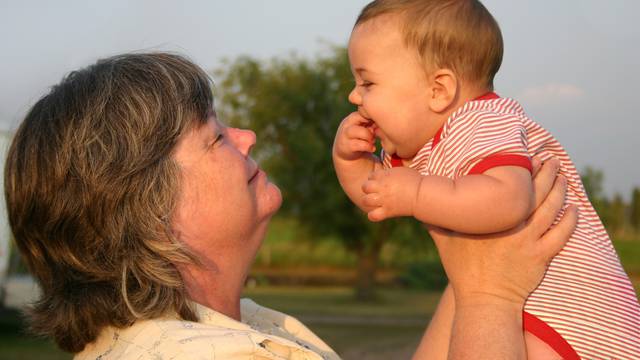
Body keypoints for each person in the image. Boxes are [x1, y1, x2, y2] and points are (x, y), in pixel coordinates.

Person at [5, 52, 576, 360]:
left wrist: (472, 262)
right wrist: (489, 299)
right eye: (215, 137)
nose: (247, 136)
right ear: (152, 212)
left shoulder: (236, 327)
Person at [332, 0, 640, 359]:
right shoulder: (426, 147)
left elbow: (509, 200)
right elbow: (378, 196)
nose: (354, 96)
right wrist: (349, 160)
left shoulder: (485, 121)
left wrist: (416, 194)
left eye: (367, 82)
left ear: (439, 90)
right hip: (531, 299)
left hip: (577, 313)